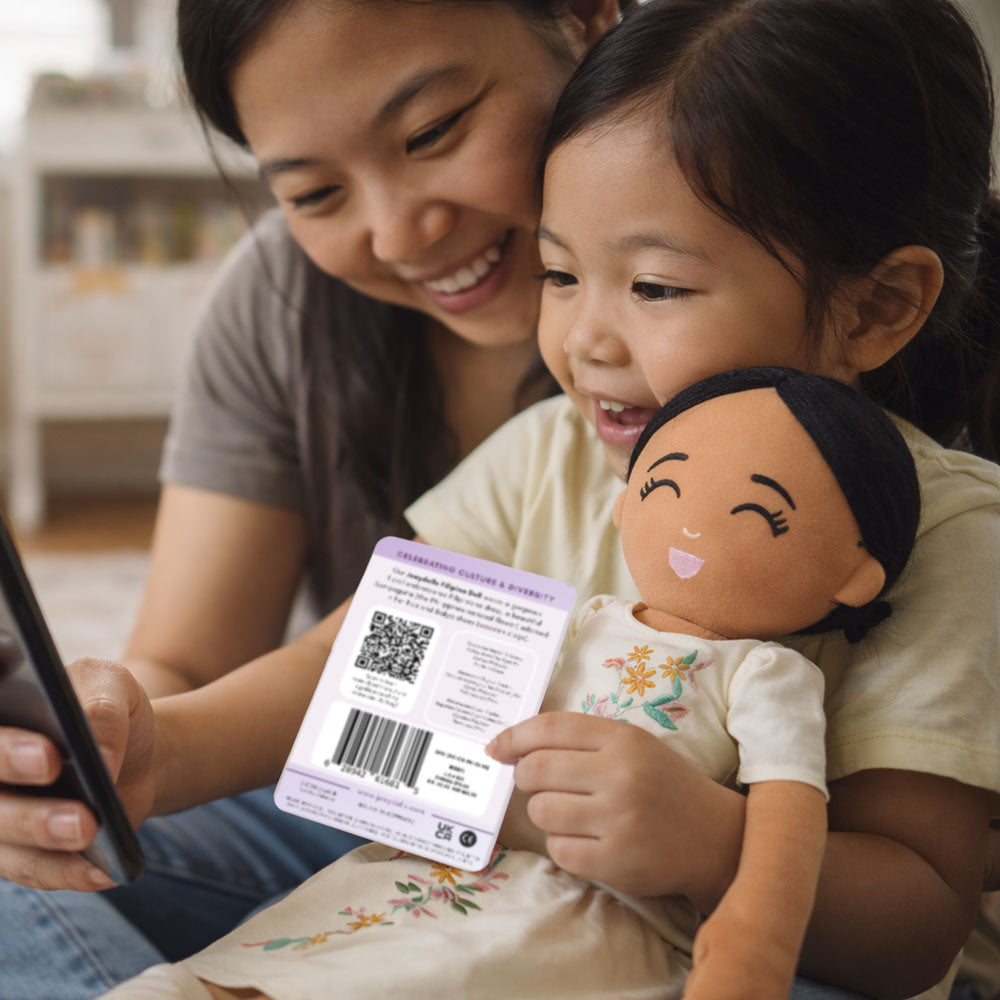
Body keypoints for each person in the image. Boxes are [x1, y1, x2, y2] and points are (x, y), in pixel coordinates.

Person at [2, 0, 999, 996]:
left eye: (653, 287)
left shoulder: (947, 531)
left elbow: (914, 924)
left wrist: (710, 841)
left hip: (726, 946)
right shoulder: (548, 449)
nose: (581, 341)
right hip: (456, 883)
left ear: (875, 307)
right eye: (559, 272)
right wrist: (156, 750)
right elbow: (351, 660)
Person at [0, 0, 633, 997]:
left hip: (663, 865)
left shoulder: (758, 293)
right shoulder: (282, 302)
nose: (398, 232)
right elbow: (205, 668)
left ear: (587, 20)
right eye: (313, 191)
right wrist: (108, 740)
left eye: (433, 133)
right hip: (380, 819)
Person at [96, 366, 923, 1000]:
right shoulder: (577, 612)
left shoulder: (768, 675)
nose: (694, 525)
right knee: (288, 952)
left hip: (594, 909)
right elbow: (364, 662)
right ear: (624, 503)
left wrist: (746, 943)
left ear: (855, 576)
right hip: (441, 853)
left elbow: (790, 819)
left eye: (758, 515)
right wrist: (161, 747)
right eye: (664, 486)